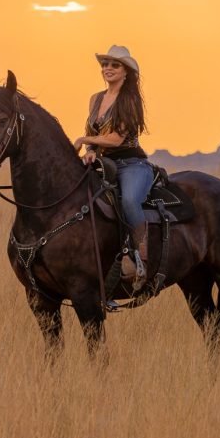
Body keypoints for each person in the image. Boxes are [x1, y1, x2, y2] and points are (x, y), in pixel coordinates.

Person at [72, 45, 153, 290]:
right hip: (104, 164)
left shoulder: (130, 100)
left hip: (131, 164)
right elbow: (94, 134)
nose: (108, 68)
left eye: (114, 65)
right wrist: (90, 153)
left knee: (128, 201)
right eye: (105, 64)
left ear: (126, 71)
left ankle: (143, 256)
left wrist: (84, 142)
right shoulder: (95, 99)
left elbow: (117, 139)